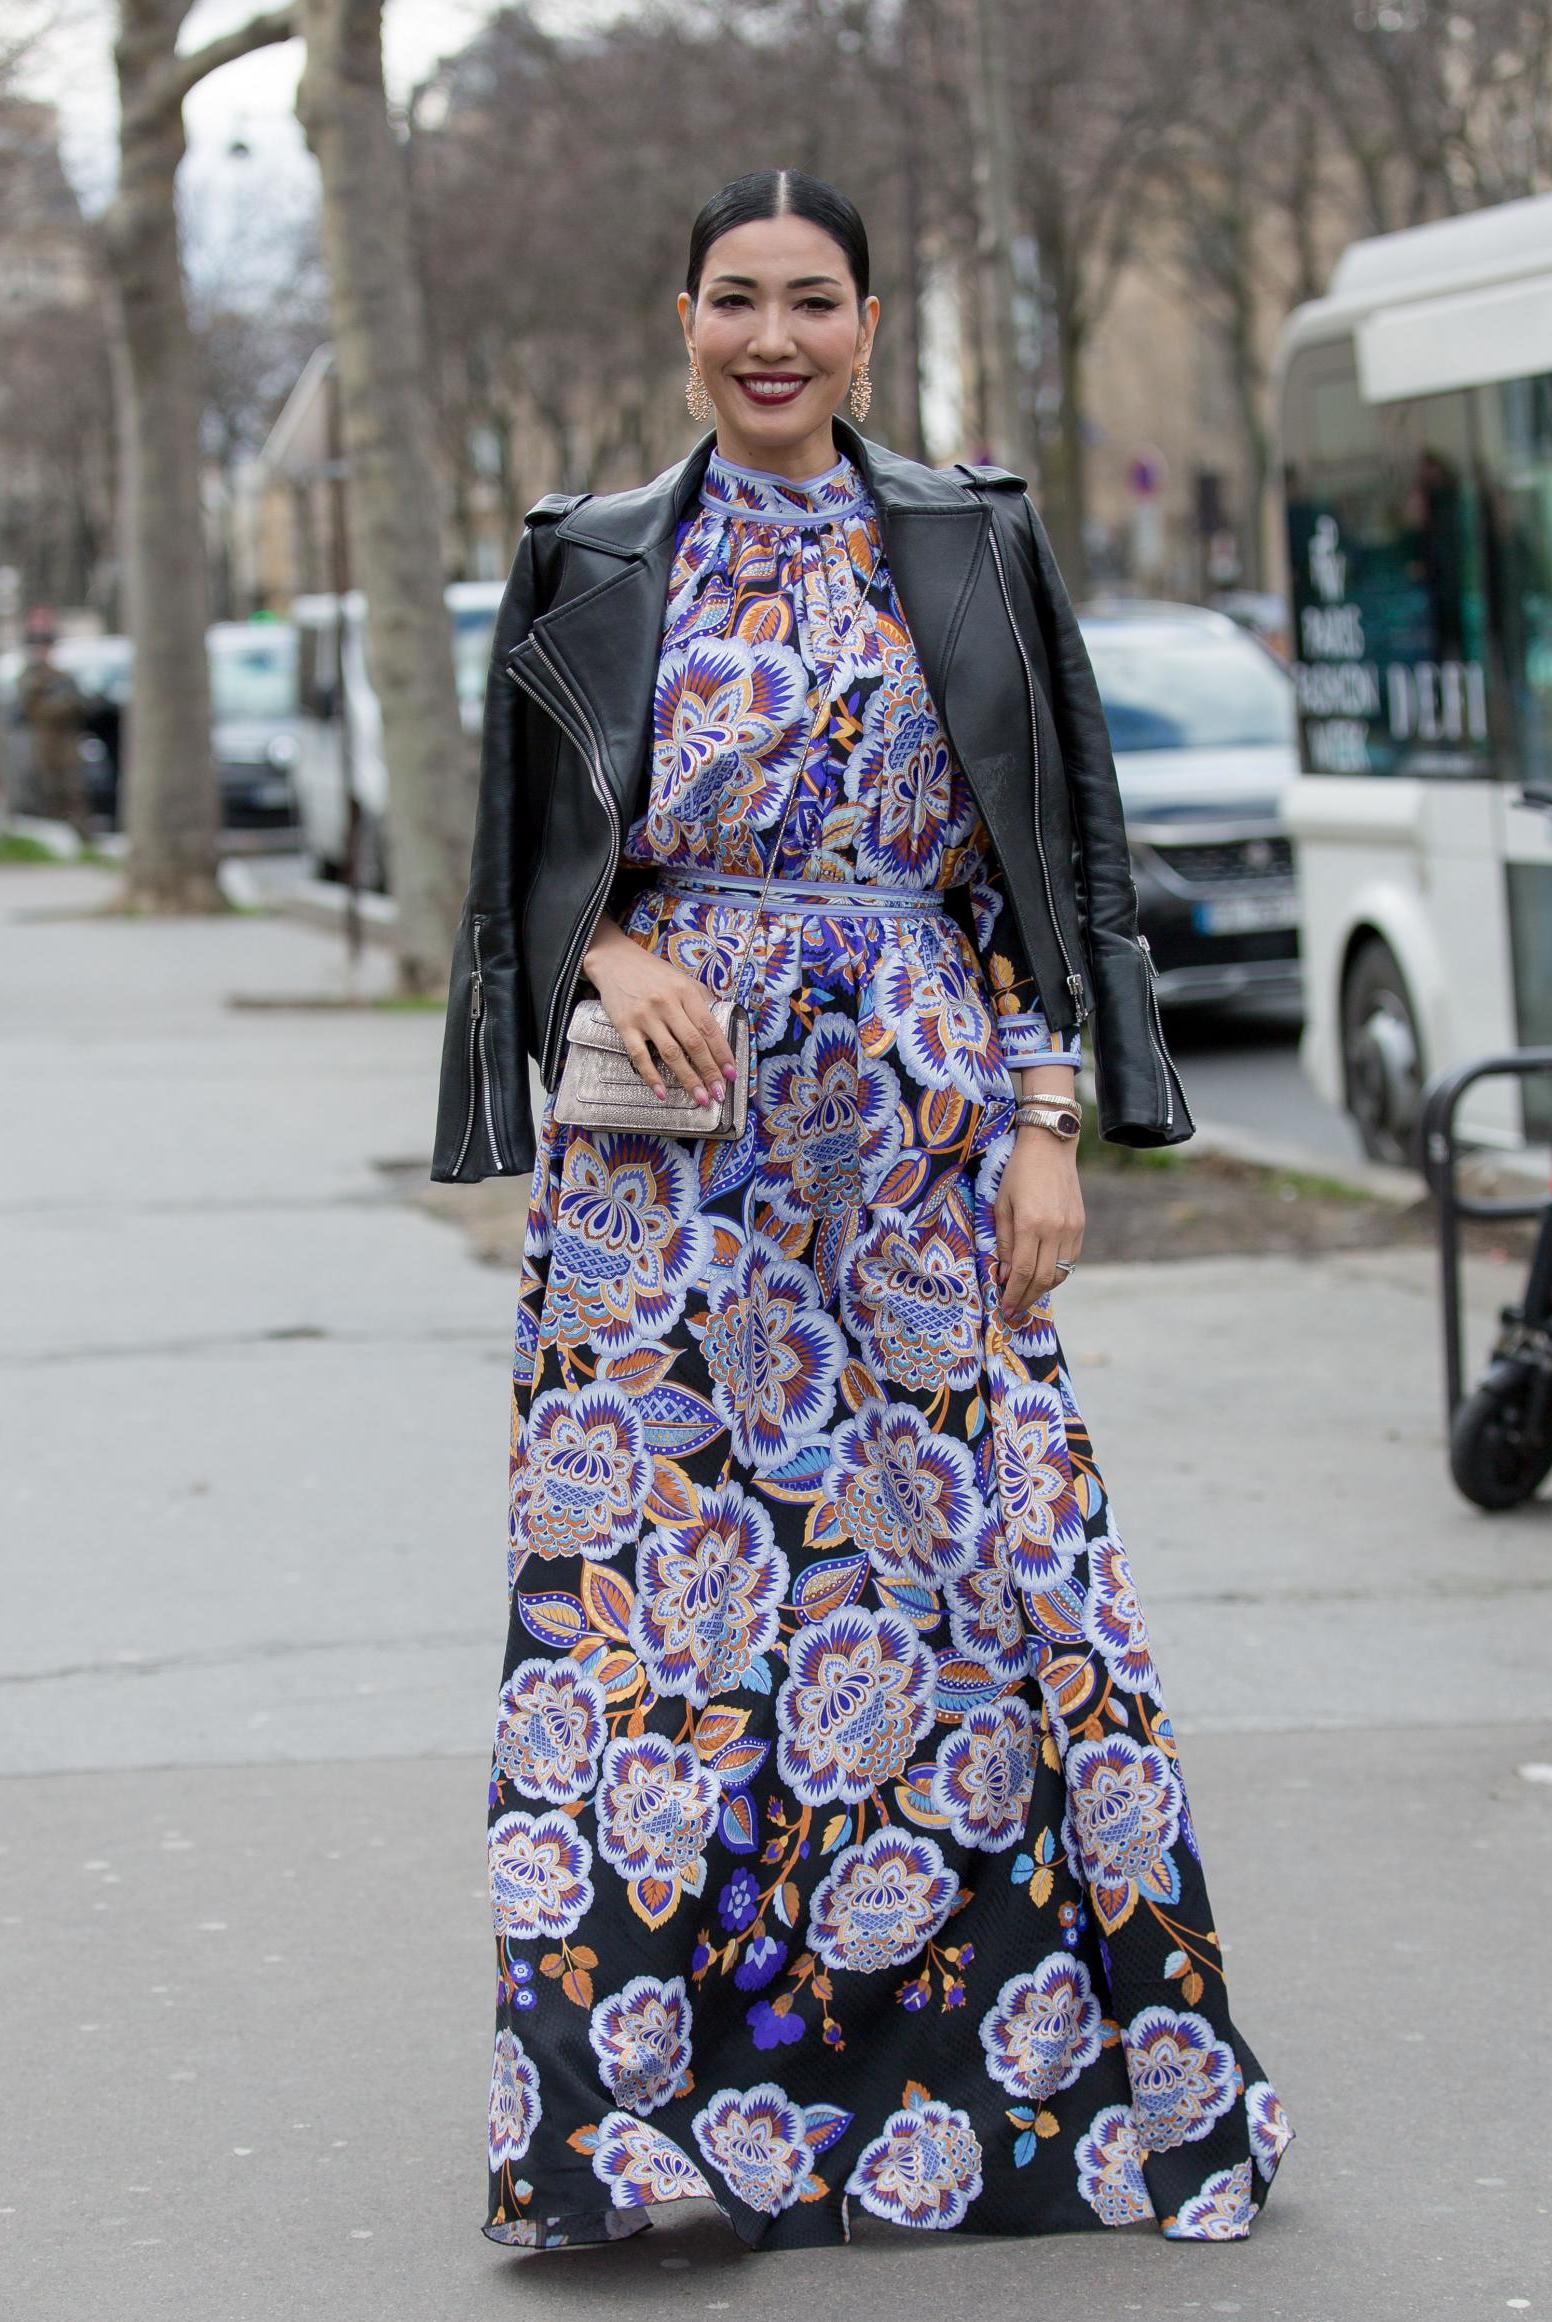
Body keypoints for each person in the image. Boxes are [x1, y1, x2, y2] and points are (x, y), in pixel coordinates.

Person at [431, 167, 1295, 2254]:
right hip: (668, 1168)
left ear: (869, 326)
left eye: (811, 301)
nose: (772, 338)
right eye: (734, 299)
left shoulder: (971, 539)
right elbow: (520, 869)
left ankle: (1032, 2086)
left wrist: (1046, 1119)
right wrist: (605, 949)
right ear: (681, 318)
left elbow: (1050, 856)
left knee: (989, 1578)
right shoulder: (588, 554)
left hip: (916, 1140)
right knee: (651, 1612)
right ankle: (620, 2135)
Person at [16, 617, 91, 838]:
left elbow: (78, 705)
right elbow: (33, 711)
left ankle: (80, 835)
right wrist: (56, 706)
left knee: (74, 791)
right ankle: (54, 836)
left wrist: (61, 706)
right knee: (48, 792)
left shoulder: (63, 677)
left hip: (66, 741)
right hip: (42, 742)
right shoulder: (29, 679)